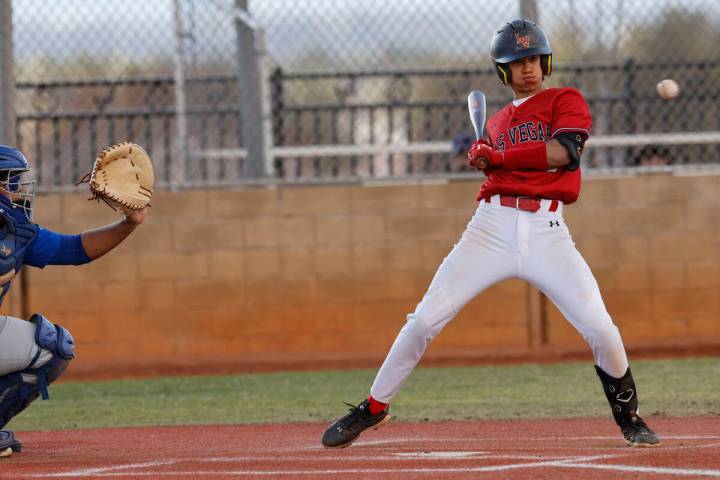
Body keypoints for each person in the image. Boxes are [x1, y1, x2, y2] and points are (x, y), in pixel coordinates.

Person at [321, 19, 660, 449]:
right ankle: (372, 408)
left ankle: (629, 417)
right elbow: (495, 162)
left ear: (546, 61)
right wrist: (483, 157)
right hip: (490, 226)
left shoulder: (565, 100)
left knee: (602, 329)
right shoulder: (495, 123)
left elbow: (564, 151)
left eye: (534, 58)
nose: (528, 68)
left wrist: (497, 156)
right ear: (504, 71)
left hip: (548, 230)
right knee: (424, 319)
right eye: (517, 62)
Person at [0, 145, 147, 457]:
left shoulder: (18, 231)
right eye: (12, 181)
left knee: (53, 346)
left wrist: (129, 224)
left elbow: (75, 250)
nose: (19, 189)